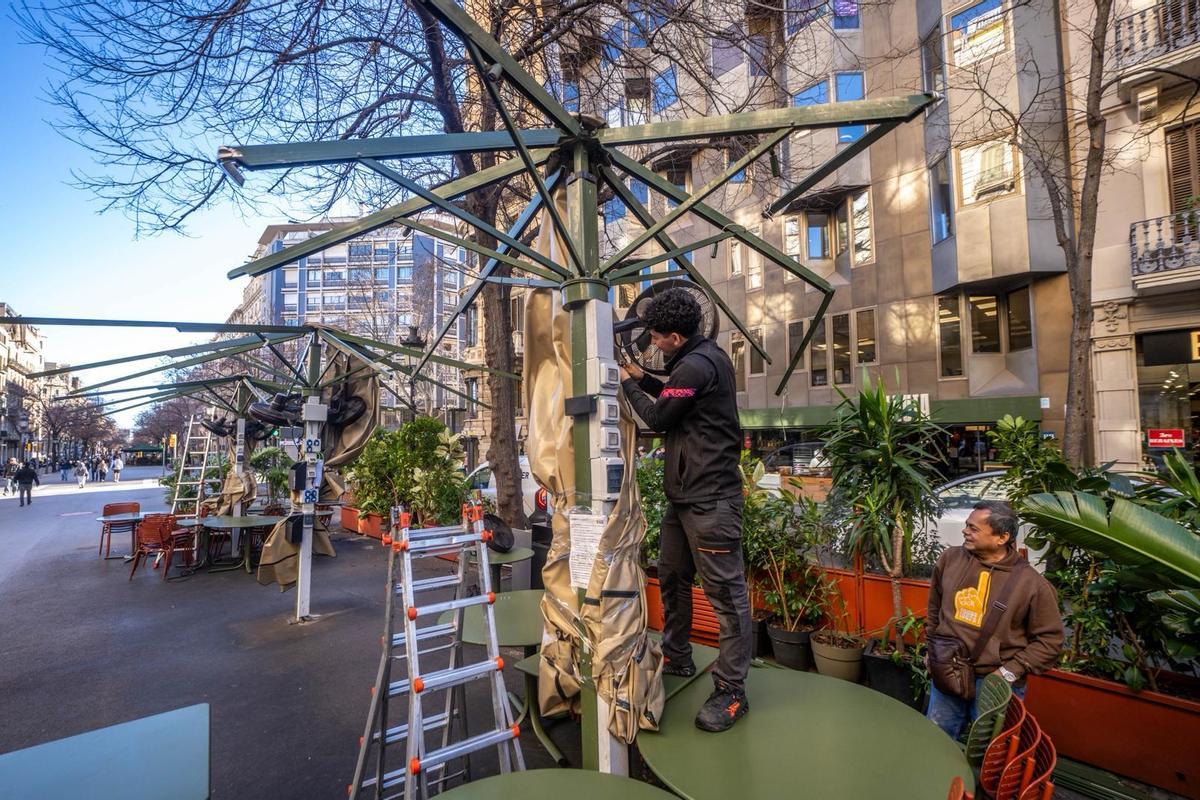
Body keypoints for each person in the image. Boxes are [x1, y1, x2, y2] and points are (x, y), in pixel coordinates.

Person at [618, 287, 750, 733]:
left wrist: (625, 386)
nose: (652, 343)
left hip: (711, 502)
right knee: (673, 576)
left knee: (728, 601)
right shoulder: (695, 361)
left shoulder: (698, 364)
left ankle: (732, 691)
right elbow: (677, 395)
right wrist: (641, 376)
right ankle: (677, 656)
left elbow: (658, 418)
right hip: (685, 499)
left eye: (656, 337)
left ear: (675, 336)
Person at [925, 500, 1064, 740]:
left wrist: (1008, 673)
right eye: (967, 525)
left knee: (990, 752)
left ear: (1002, 537)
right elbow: (934, 609)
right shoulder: (950, 560)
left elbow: (1050, 641)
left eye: (974, 528)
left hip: (994, 683)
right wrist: (930, 650)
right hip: (948, 670)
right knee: (936, 742)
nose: (964, 531)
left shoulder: (1032, 584)